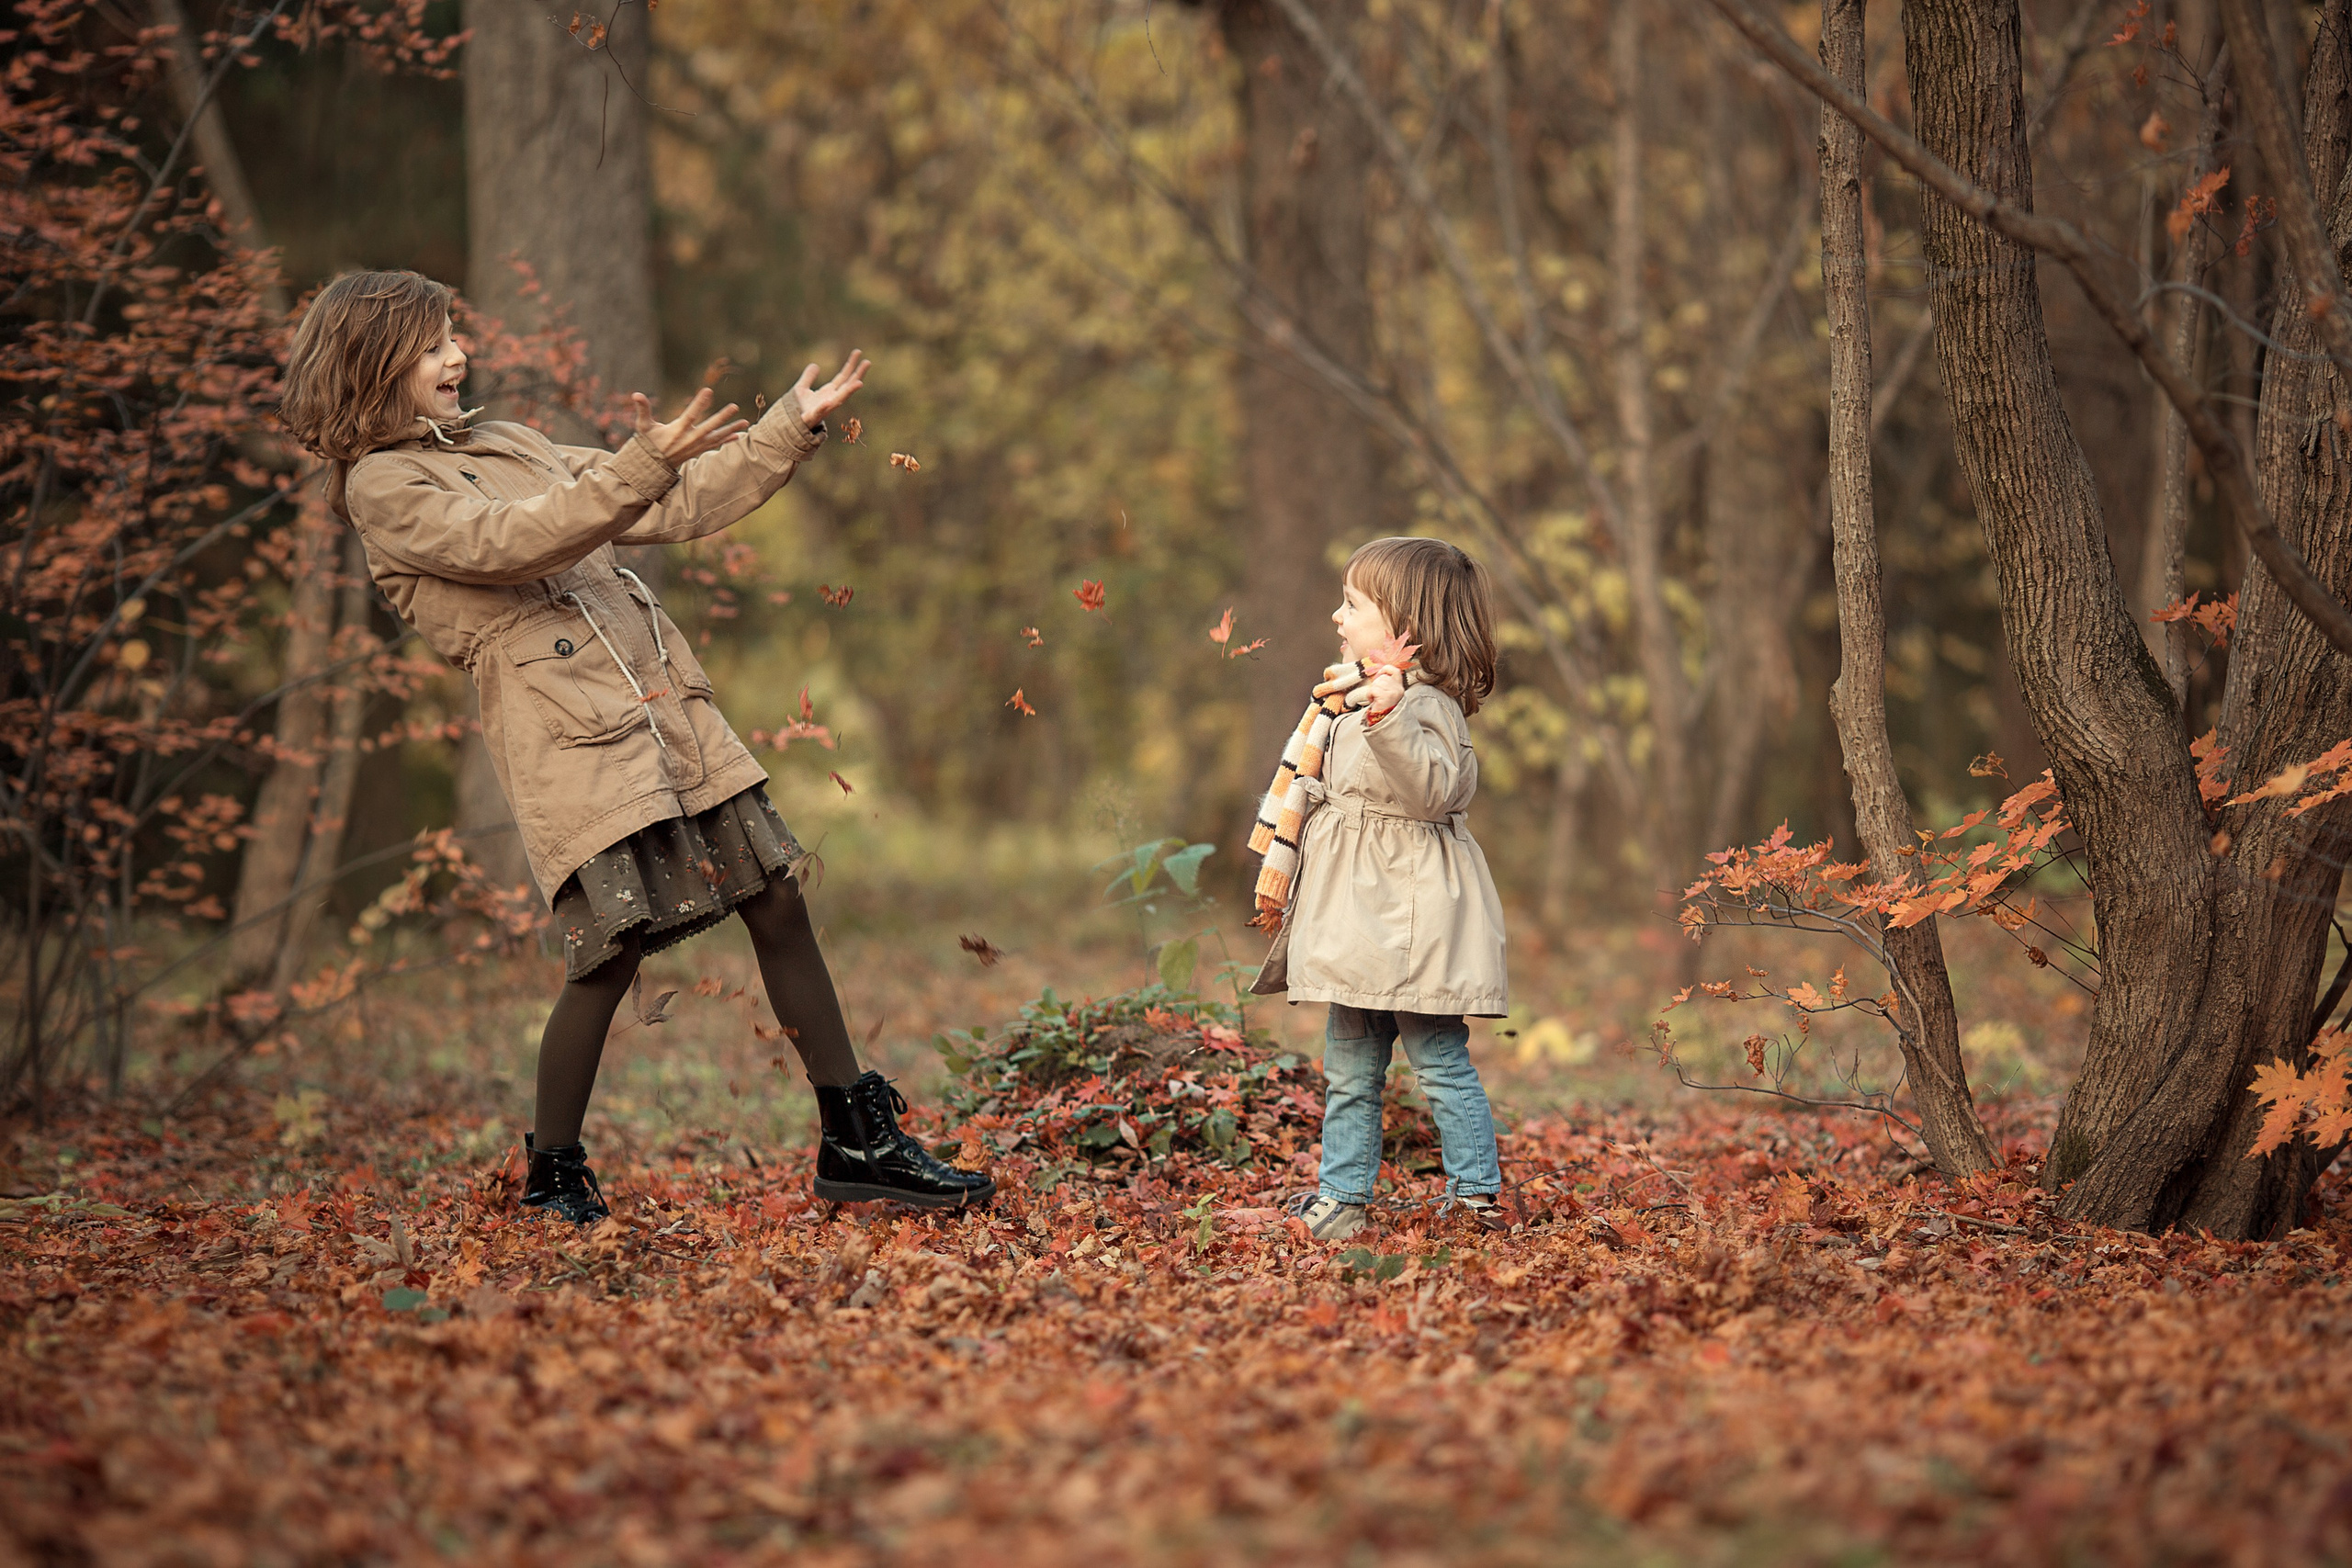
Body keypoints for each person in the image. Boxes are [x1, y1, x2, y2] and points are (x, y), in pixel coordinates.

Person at [277, 269, 991, 1222]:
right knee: (610, 954)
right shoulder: (384, 486)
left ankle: (857, 1139)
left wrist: (786, 427)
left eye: (454, 336)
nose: (459, 355)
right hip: (570, 738)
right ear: (374, 363)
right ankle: (552, 1175)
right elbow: (510, 541)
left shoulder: (508, 441)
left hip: (666, 709)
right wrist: (636, 466)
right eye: (435, 343)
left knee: (777, 900)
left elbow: (664, 499)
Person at [1247, 536, 1510, 1241]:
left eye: (1353, 605)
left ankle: (1476, 1197)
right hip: (1358, 921)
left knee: (1439, 1060)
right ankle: (1342, 1198)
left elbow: (1433, 793)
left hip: (1411, 923)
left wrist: (1390, 717)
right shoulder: (1350, 697)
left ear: (1406, 628)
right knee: (1349, 1067)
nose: (1337, 616)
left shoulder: (1425, 706)